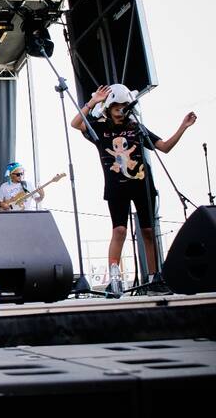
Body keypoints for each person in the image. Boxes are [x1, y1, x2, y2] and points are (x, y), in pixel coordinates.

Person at [71, 84, 197, 294]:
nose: (120, 110)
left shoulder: (137, 127)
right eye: (116, 107)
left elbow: (164, 147)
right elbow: (76, 123)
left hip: (142, 185)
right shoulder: (100, 128)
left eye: (123, 106)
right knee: (119, 230)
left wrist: (183, 127)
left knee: (148, 230)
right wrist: (92, 102)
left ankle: (154, 277)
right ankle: (114, 279)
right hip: (116, 187)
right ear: (109, 108)